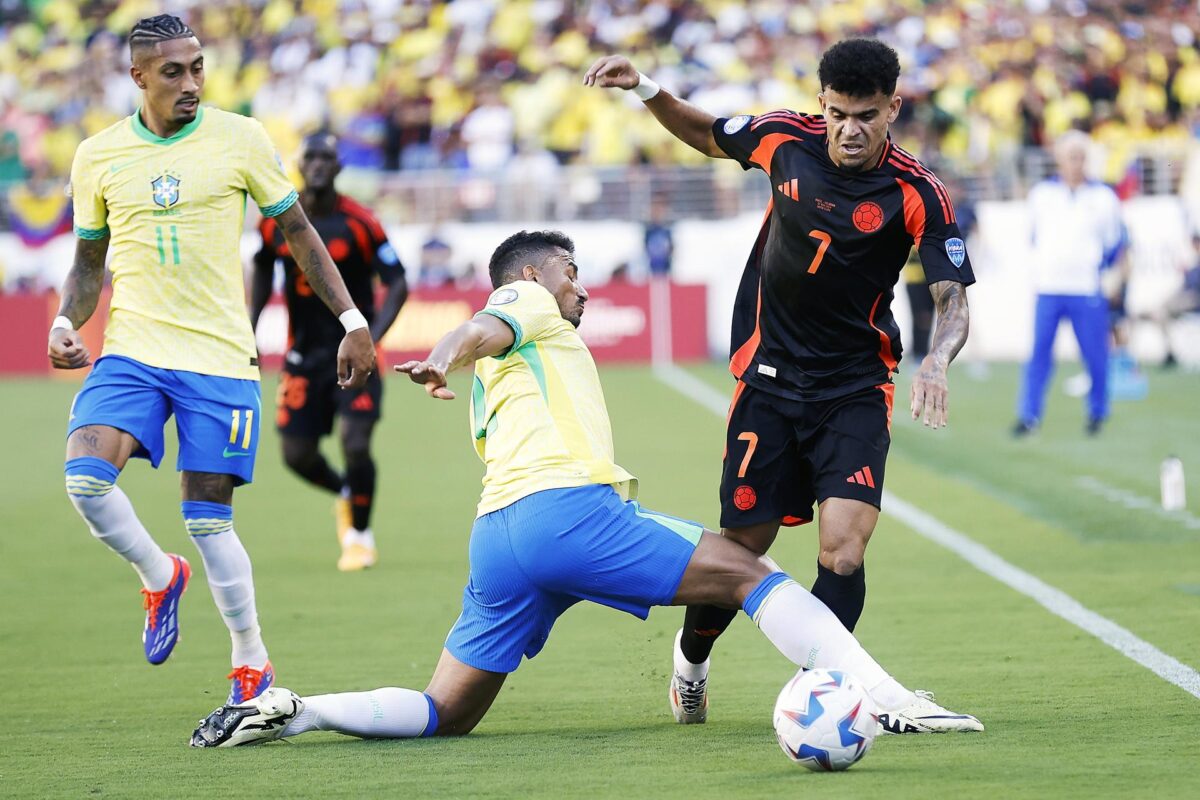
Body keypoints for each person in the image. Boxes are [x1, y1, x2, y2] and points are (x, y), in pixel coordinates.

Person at [190, 230, 982, 747]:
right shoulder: (526, 300)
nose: (583, 287)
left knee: (447, 712)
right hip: (567, 513)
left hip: (498, 537)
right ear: (534, 274)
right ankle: (882, 695)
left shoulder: (527, 346)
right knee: (751, 571)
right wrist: (445, 350)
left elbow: (485, 339)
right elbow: (482, 324)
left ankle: (301, 710)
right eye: (574, 271)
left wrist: (456, 357)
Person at [584, 40, 975, 725]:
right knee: (742, 549)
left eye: (867, 116)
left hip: (856, 385)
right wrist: (646, 87)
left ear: (894, 109)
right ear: (820, 103)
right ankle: (692, 664)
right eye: (838, 113)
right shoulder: (782, 138)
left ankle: (827, 698)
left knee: (843, 550)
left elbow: (952, 297)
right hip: (770, 380)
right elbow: (706, 133)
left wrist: (939, 358)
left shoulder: (918, 191)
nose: (851, 129)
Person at [48, 15, 375, 704]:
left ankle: (250, 660)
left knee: (208, 519)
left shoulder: (241, 138)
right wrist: (62, 320)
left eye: (198, 67)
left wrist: (352, 320)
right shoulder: (98, 156)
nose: (191, 82)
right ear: (137, 77)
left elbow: (299, 233)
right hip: (133, 348)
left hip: (219, 356)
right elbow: (86, 266)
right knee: (84, 480)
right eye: (174, 71)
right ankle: (158, 575)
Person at [250, 132, 408, 571]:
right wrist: (252, 326)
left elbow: (398, 281)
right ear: (299, 165)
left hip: (355, 356)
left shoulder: (361, 221)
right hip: (303, 356)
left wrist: (370, 339)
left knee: (355, 443)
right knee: (296, 456)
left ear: (339, 167)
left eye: (327, 158)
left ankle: (359, 534)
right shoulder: (275, 219)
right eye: (311, 157)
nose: (318, 164)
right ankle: (345, 491)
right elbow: (263, 265)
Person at [1013, 130, 1126, 437]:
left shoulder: (1103, 197)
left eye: (1080, 156)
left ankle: (1098, 413)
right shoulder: (1042, 195)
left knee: (1095, 355)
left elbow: (1116, 243)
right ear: (1059, 159)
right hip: (1049, 286)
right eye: (1070, 156)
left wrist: (1113, 279)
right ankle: (1029, 415)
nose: (1075, 162)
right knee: (1039, 354)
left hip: (1086, 287)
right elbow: (1033, 236)